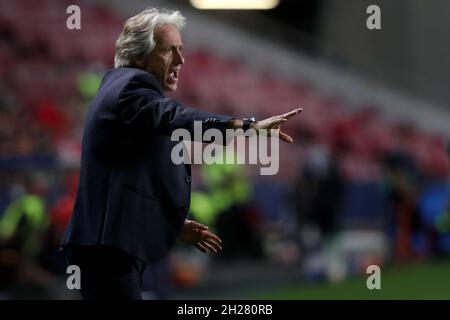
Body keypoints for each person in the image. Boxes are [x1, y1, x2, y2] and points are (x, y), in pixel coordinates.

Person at [61, 8, 302, 300]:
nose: (180, 60)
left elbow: (128, 182)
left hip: (111, 247)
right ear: (139, 56)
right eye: (168, 51)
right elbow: (177, 117)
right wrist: (248, 126)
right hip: (107, 250)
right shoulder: (131, 87)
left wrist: (171, 224)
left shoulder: (123, 93)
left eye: (181, 50)